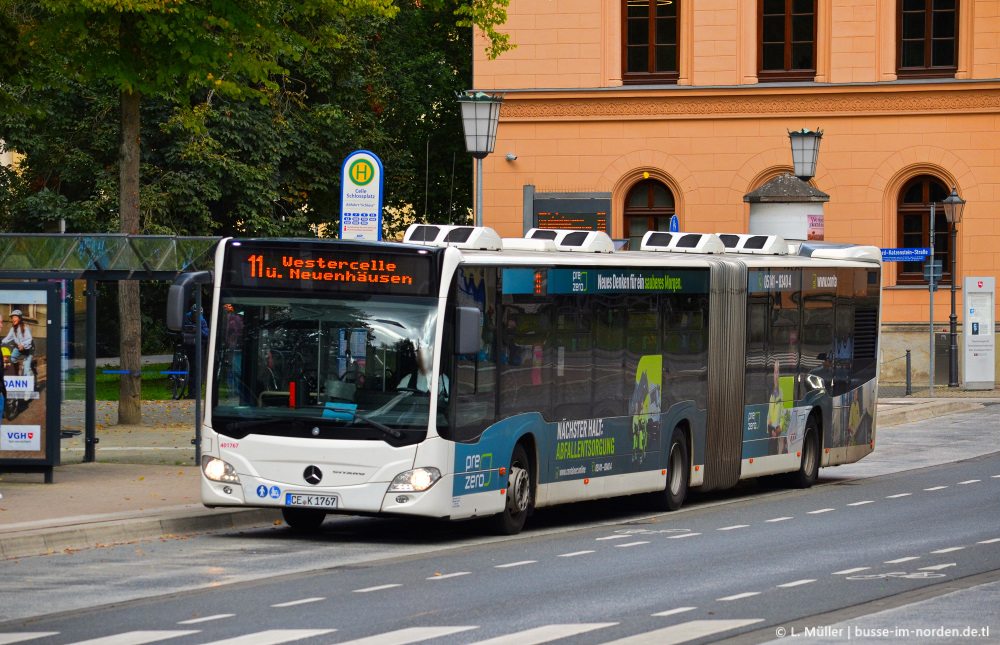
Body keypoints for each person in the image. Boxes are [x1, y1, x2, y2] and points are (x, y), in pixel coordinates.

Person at [3, 310, 33, 376]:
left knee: (26, 368)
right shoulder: (13, 329)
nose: (13, 319)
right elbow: (8, 338)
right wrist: (1, 343)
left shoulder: (25, 327)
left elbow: (29, 339)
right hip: (19, 348)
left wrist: (23, 345)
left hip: (28, 349)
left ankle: (27, 380)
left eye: (15, 317)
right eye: (12, 318)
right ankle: (15, 374)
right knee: (11, 359)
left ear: (20, 318)